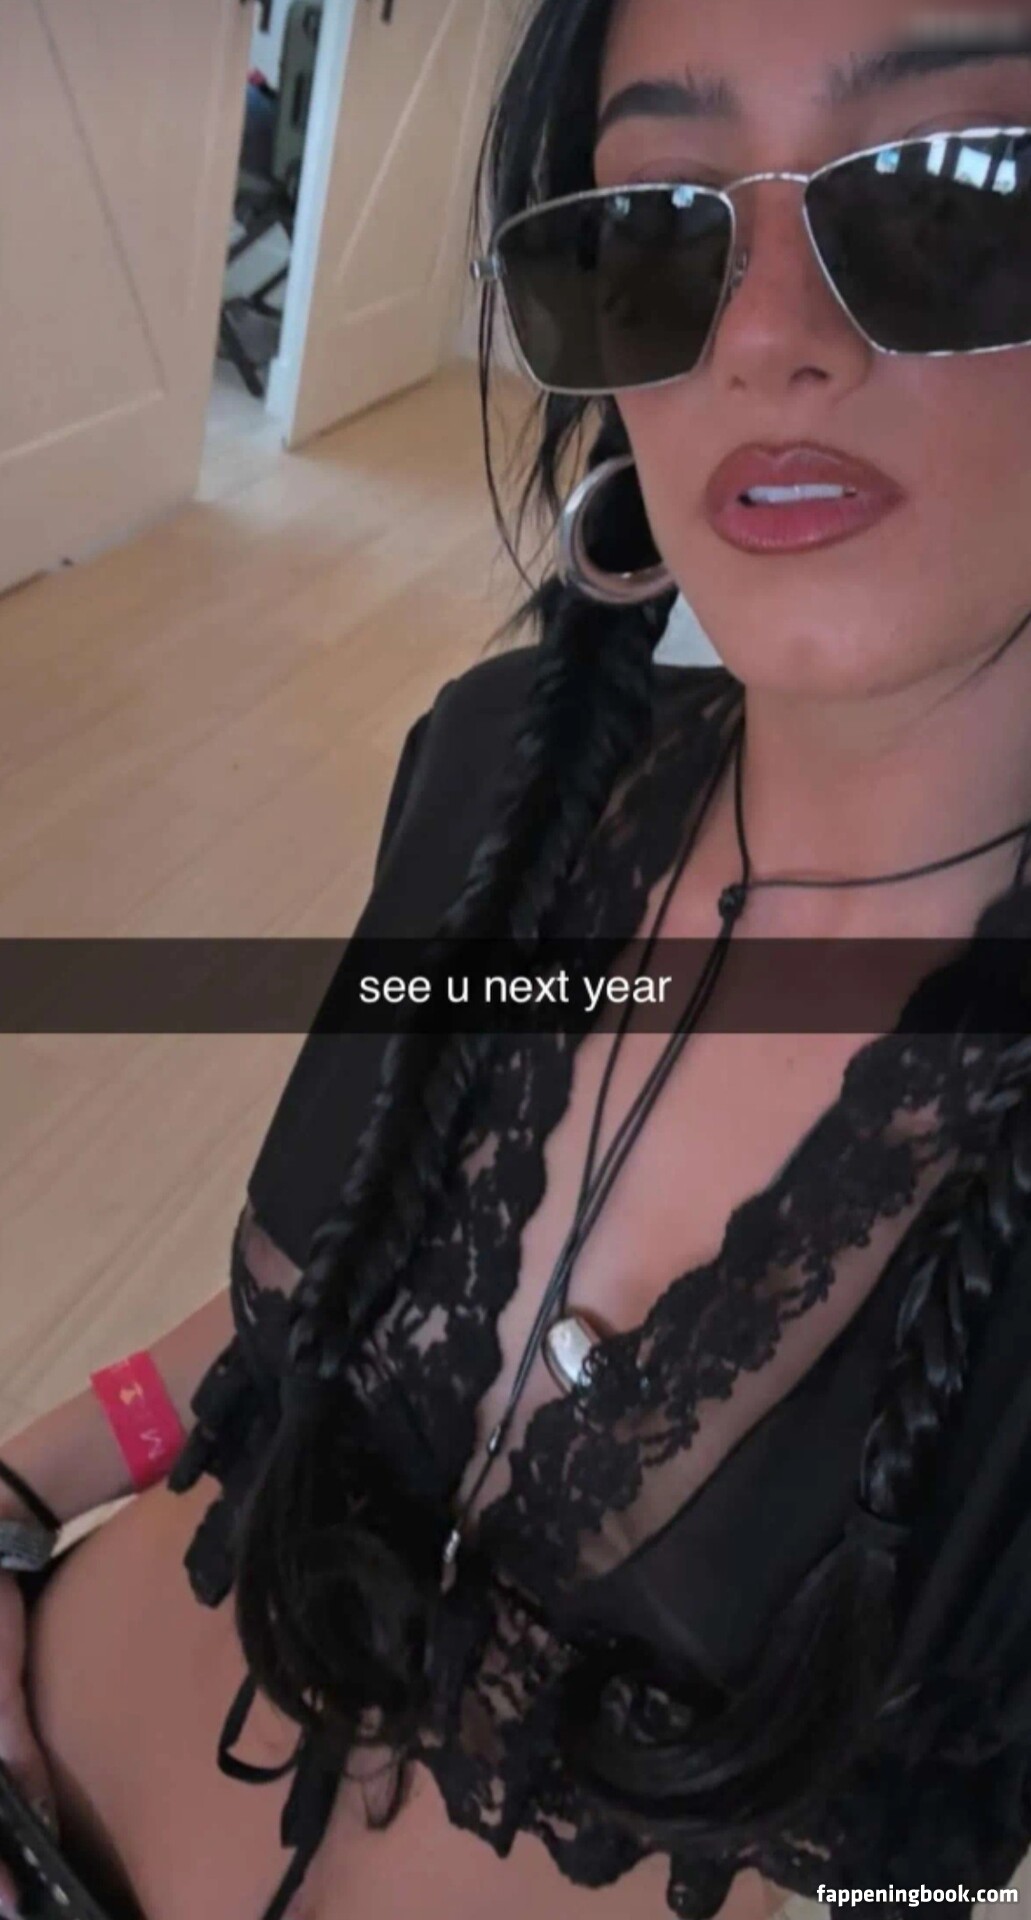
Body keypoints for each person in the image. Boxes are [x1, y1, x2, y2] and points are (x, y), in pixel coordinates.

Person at [5, 0, 1031, 1916]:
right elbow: (330, 1300)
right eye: (659, 217)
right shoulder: (500, 779)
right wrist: (19, 1495)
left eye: (955, 189)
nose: (764, 332)